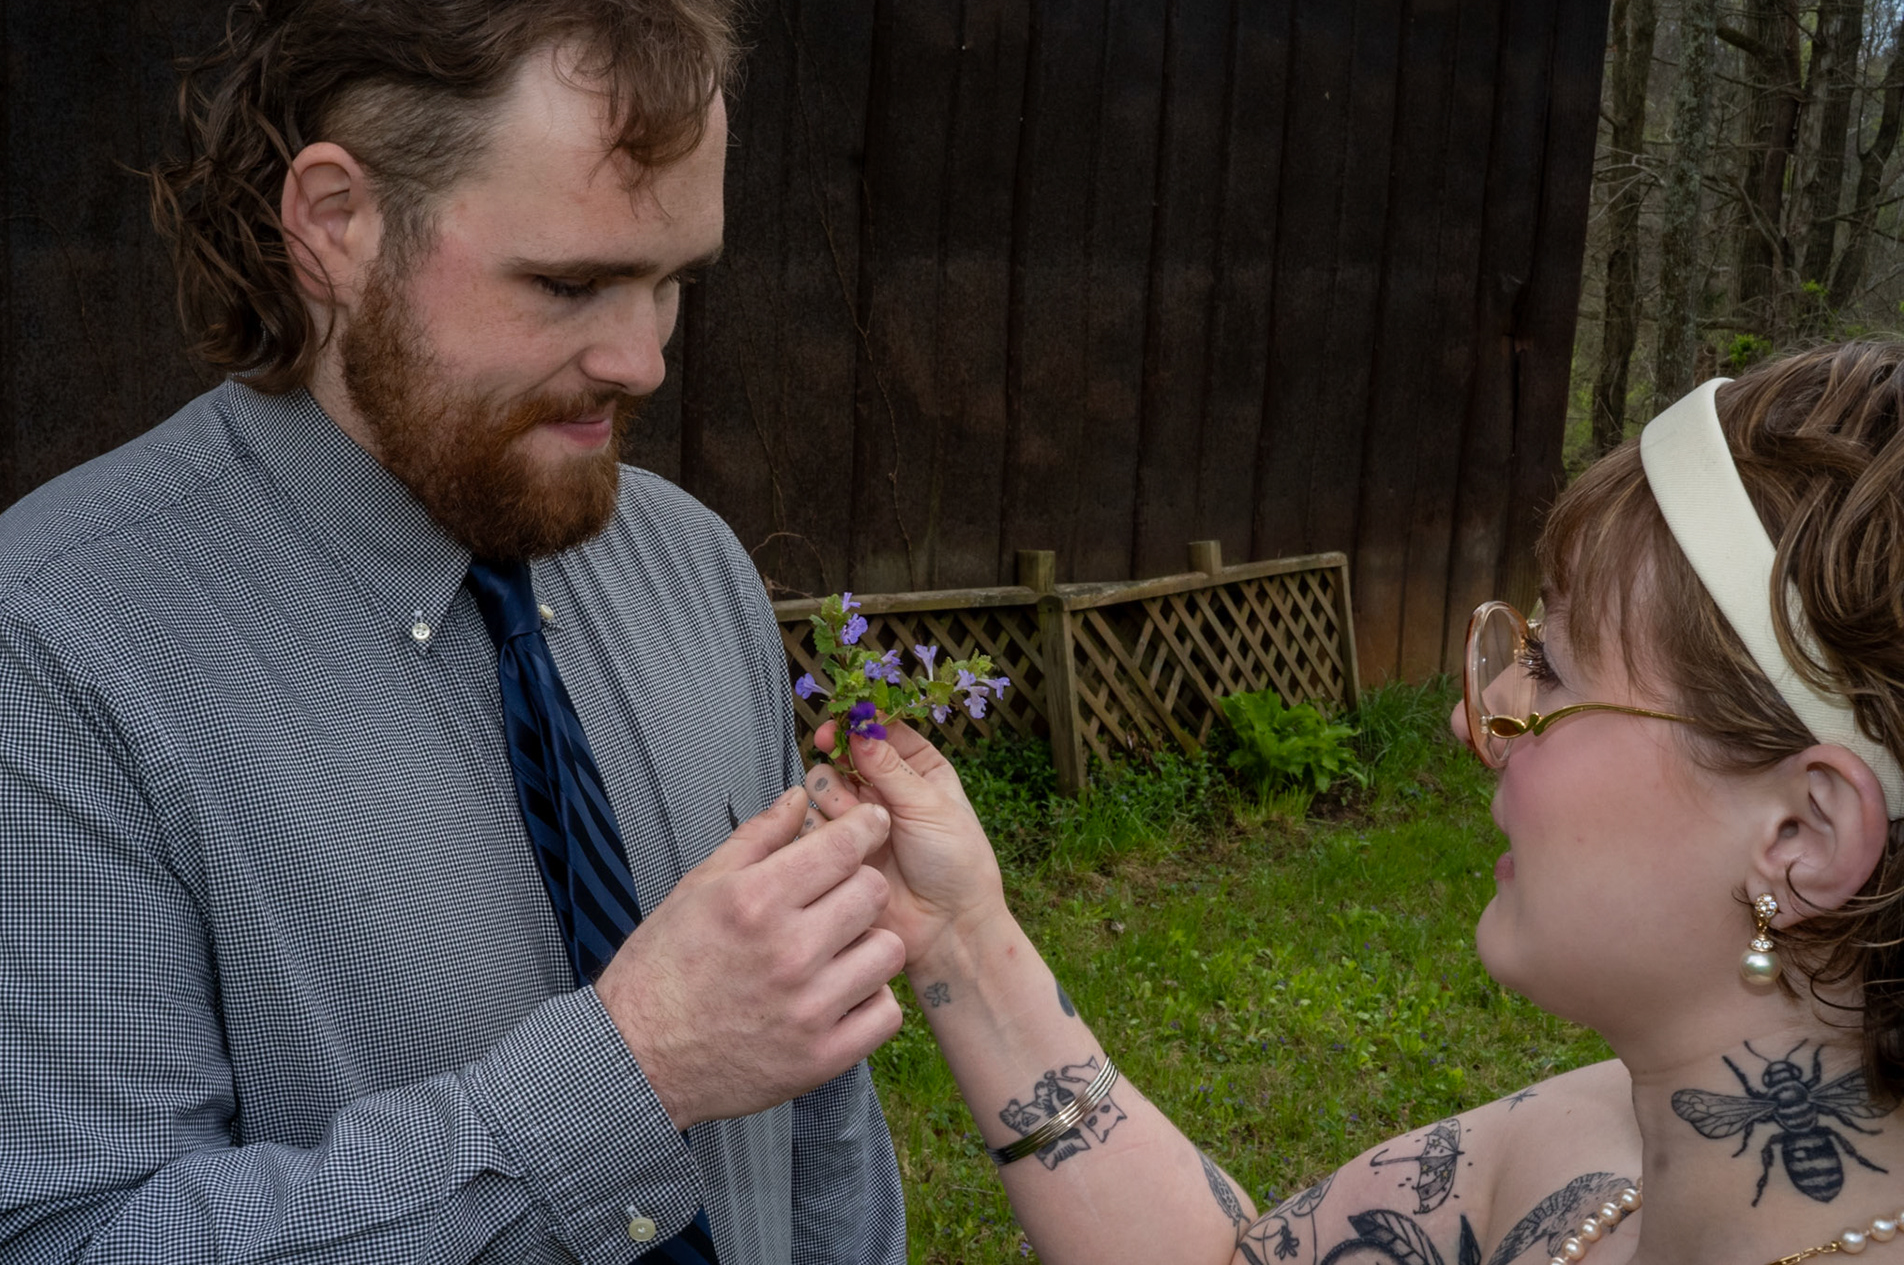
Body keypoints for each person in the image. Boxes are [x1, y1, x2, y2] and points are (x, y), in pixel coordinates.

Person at [0, 0, 908, 1262]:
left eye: (671, 282)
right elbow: (68, 1237)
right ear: (337, 222)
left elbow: (820, 1137)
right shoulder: (49, 650)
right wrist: (632, 1072)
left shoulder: (694, 569)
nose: (642, 359)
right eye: (570, 281)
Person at [804, 338, 1904, 1265]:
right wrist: (959, 932)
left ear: (1803, 833)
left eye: (1553, 669)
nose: (1474, 718)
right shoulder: (1590, 1133)